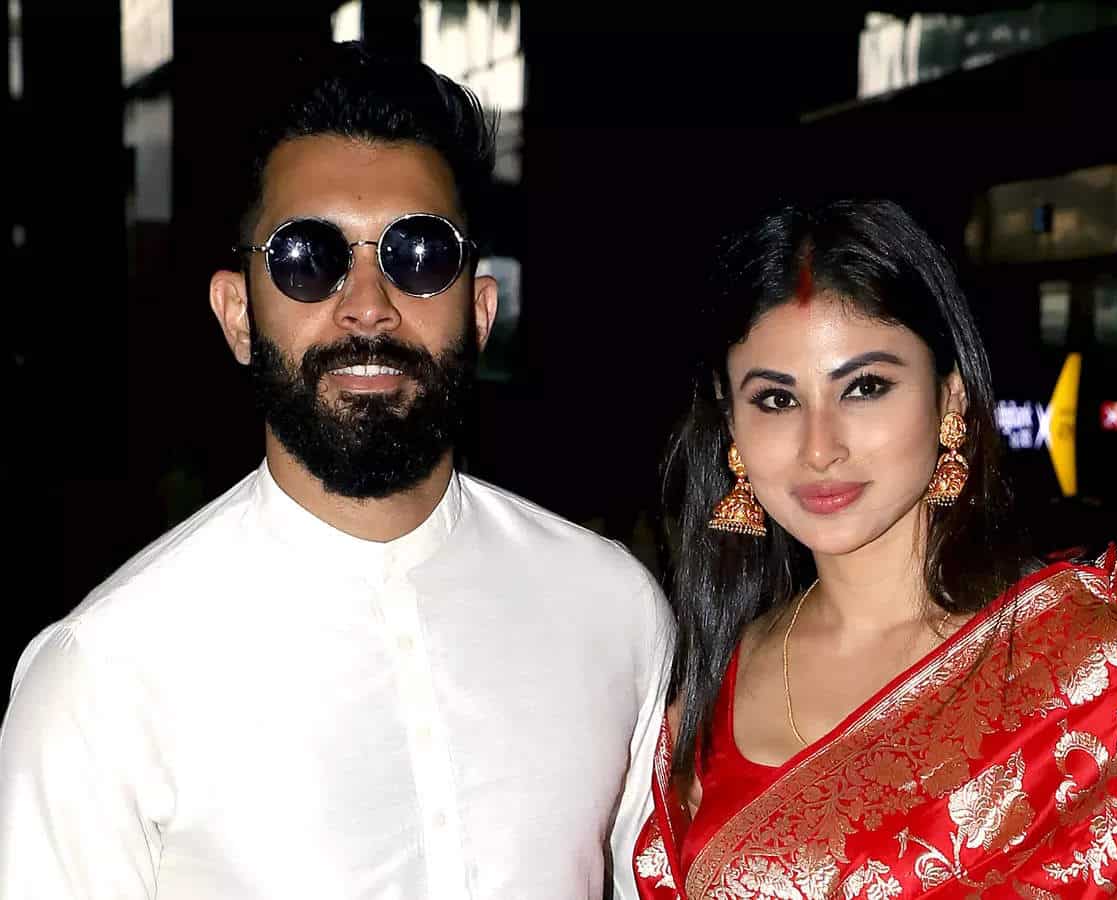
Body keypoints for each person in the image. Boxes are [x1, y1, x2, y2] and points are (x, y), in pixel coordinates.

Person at [0, 43, 672, 900]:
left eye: (418, 254)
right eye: (308, 258)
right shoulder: (103, 673)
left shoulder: (613, 609)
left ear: (480, 310)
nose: (367, 307)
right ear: (238, 315)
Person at [631, 198, 1117, 897]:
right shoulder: (705, 678)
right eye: (777, 400)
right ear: (730, 423)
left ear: (950, 398)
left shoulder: (1077, 665)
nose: (820, 448)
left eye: (865, 388)